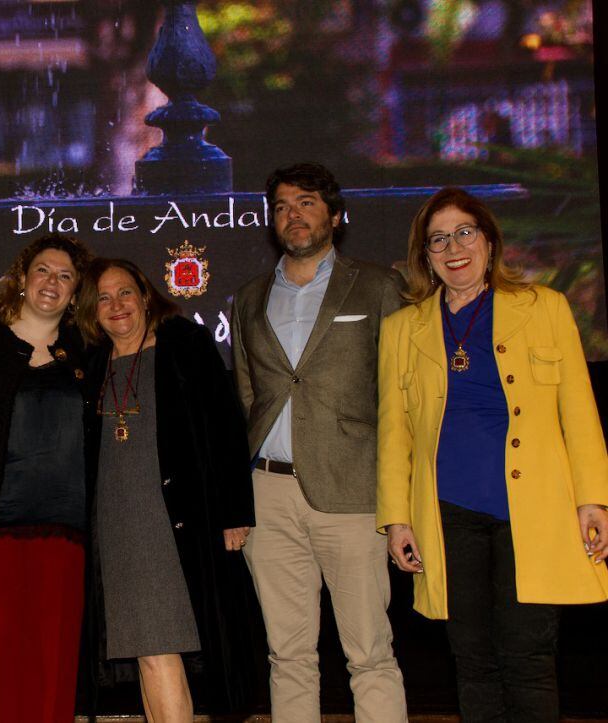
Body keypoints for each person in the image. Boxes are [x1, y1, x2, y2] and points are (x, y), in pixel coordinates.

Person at [377, 187, 608, 721]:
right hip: (447, 513)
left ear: (487, 240)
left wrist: (593, 499)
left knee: (528, 656)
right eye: (438, 239)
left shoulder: (544, 307)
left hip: (532, 511)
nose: (453, 247)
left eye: (464, 232)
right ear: (425, 256)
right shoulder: (401, 330)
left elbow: (579, 411)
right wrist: (396, 519)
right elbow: (395, 433)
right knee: (472, 659)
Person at [229, 163, 408, 721]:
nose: (293, 215)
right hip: (268, 495)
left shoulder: (379, 286)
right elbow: (245, 397)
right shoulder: (249, 298)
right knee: (287, 654)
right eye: (281, 206)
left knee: (370, 654)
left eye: (306, 203)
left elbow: (404, 395)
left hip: (353, 493)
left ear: (334, 214)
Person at [75, 258, 254, 722]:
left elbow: (227, 428)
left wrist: (235, 512)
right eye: (104, 298)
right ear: (91, 310)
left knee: (158, 649)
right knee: (146, 652)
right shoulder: (92, 364)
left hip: (170, 522)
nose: (117, 305)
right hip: (115, 526)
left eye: (126, 293)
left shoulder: (184, 346)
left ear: (146, 295)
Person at [0, 233, 92, 723]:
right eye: (44, 270)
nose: (53, 281)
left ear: (75, 292)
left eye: (65, 275)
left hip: (65, 536)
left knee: (52, 671)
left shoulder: (89, 352)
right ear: (23, 279)